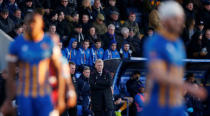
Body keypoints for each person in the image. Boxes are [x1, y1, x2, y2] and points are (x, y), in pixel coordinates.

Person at [143, 1, 207, 116]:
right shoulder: (155, 42)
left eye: (181, 19)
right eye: (177, 19)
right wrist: (188, 86)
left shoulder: (178, 43)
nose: (181, 23)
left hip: (176, 105)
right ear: (166, 20)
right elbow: (158, 74)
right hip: (158, 105)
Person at [1, 12, 66, 116]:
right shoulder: (16, 44)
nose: (32, 26)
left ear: (41, 24)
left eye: (35, 23)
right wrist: (8, 100)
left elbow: (59, 69)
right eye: (29, 23)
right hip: (25, 93)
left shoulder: (49, 43)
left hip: (45, 93)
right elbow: (10, 75)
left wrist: (61, 95)